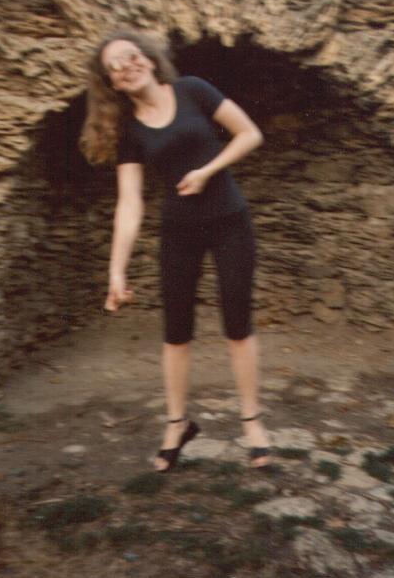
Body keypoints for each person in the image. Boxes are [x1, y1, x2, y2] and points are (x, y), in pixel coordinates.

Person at [81, 30, 271, 471]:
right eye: (115, 66)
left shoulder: (193, 90)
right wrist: (116, 271)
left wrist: (208, 170)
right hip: (179, 232)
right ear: (112, 83)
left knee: (237, 324)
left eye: (132, 56)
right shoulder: (129, 132)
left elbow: (249, 134)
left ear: (148, 59)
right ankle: (176, 425)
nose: (127, 66)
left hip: (230, 221)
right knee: (176, 332)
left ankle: (252, 423)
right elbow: (129, 203)